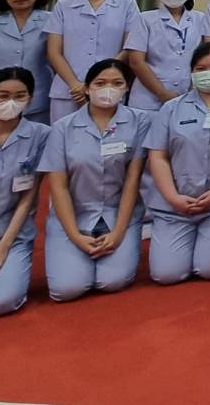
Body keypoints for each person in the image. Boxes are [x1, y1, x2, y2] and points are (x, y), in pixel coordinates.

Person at [39, 58, 148, 301]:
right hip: (74, 217)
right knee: (66, 289)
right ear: (87, 88)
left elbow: (132, 181)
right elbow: (58, 187)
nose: (108, 89)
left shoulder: (139, 121)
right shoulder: (62, 128)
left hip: (116, 214)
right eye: (100, 83)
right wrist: (75, 236)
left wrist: (118, 232)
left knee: (111, 282)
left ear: (127, 87)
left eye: (117, 83)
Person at [142, 42, 210, 285]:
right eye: (200, 69)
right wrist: (173, 197)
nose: (208, 73)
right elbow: (158, 156)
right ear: (192, 71)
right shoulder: (171, 109)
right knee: (166, 274)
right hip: (176, 207)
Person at [0, 68, 49, 315]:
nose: (11, 102)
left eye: (19, 96)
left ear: (30, 98)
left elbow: (28, 197)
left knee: (1, 302)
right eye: (3, 95)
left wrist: (2, 247)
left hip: (12, 236)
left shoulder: (41, 136)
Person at [45, 0, 142, 123]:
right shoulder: (64, 5)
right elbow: (53, 52)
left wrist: (101, 81)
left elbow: (129, 47)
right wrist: (75, 84)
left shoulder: (127, 4)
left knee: (107, 136)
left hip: (109, 88)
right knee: (63, 135)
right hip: (68, 90)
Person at [125, 0, 206, 111]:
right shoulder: (145, 19)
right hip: (147, 99)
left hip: (187, 95)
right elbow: (136, 61)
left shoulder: (200, 19)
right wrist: (161, 93)